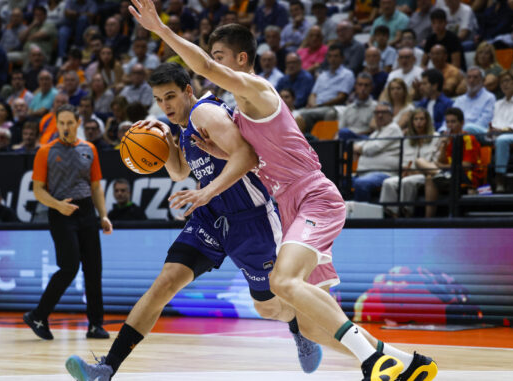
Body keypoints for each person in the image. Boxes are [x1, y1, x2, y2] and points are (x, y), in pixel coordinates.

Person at [127, 5, 438, 380]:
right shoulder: (239, 114)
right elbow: (256, 156)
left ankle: (371, 362)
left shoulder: (258, 89)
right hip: (289, 205)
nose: (213, 63)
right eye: (213, 57)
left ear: (241, 59)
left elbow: (205, 70)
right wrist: (212, 151)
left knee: (282, 283)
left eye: (220, 56)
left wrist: (161, 29)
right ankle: (407, 363)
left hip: (313, 196)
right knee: (309, 323)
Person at [66, 63, 322, 379]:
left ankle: (298, 324)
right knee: (165, 283)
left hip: (251, 220)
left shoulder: (206, 114)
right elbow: (179, 172)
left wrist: (206, 192)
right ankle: (107, 367)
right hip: (210, 218)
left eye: (170, 96)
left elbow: (247, 157)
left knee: (267, 307)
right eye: (159, 100)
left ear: (188, 90)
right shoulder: (186, 126)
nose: (166, 106)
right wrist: (164, 141)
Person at [23, 104, 113, 341]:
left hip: (86, 211)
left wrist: (103, 214)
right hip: (60, 212)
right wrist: (57, 205)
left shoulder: (89, 149)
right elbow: (38, 191)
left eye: (69, 123)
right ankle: (38, 315)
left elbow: (96, 187)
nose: (65, 127)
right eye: (61, 123)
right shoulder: (46, 151)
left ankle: (95, 326)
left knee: (94, 270)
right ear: (57, 124)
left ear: (77, 123)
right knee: (69, 266)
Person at [416, 108, 483, 217]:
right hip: (450, 174)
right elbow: (440, 161)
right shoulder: (449, 139)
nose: (450, 125)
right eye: (447, 122)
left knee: (428, 170)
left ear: (462, 123)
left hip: (466, 177)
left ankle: (443, 174)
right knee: (424, 169)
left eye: (453, 122)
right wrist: (443, 146)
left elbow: (467, 166)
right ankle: (428, 221)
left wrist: (443, 166)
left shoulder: (468, 138)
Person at [379, 108, 439, 217]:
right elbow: (404, 163)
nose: (419, 122)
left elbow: (435, 164)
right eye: (416, 119)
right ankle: (393, 216)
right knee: (388, 182)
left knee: (407, 182)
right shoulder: (407, 140)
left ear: (427, 121)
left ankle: (407, 214)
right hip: (409, 174)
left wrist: (416, 171)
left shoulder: (436, 137)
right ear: (412, 122)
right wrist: (405, 169)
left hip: (426, 175)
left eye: (422, 119)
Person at [351, 102, 404, 202]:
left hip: (384, 173)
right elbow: (365, 145)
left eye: (383, 112)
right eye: (377, 112)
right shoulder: (377, 132)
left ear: (391, 115)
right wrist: (358, 148)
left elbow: (373, 148)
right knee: (337, 181)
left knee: (361, 183)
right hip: (365, 173)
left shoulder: (393, 128)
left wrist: (359, 149)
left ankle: (362, 216)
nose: (379, 115)